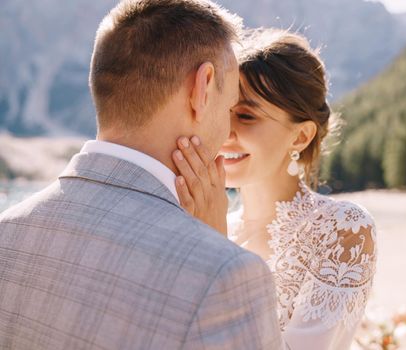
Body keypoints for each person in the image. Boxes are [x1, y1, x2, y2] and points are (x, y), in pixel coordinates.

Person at [0, 1, 284, 349]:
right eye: (228, 108)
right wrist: (213, 247)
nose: (226, 133)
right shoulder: (227, 275)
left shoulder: (6, 231)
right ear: (203, 88)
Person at [173, 28, 378, 350]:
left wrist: (212, 246)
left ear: (300, 137)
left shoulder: (343, 230)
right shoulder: (204, 221)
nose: (225, 131)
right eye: (221, 112)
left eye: (245, 115)